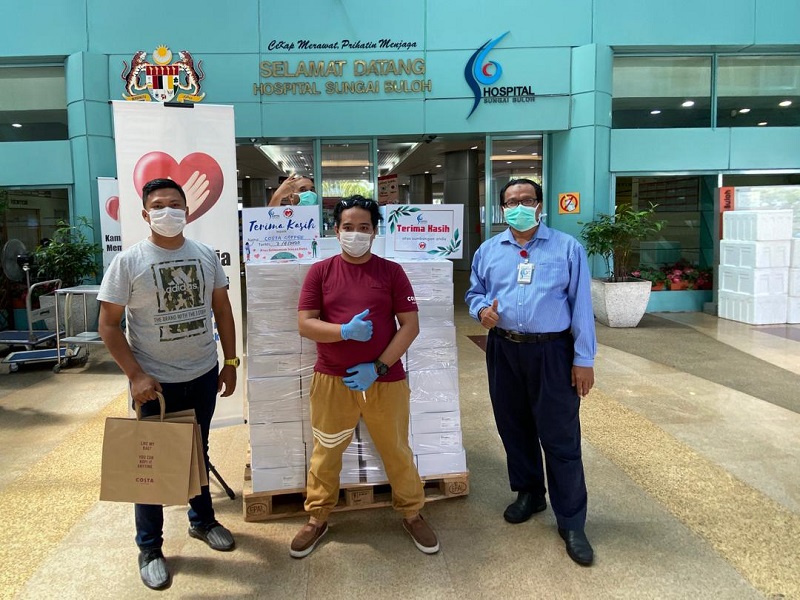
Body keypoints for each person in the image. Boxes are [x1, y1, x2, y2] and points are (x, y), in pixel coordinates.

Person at [97, 178, 239, 590]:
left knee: (198, 449)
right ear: (145, 214)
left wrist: (229, 363)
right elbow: (108, 325)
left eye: (175, 204)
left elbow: (224, 313)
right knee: (152, 463)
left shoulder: (206, 255)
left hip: (202, 373)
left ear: (187, 212)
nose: (168, 211)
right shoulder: (129, 262)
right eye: (158, 205)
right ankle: (150, 547)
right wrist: (136, 375)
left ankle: (202, 521)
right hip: (154, 383)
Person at [291, 195, 439, 558]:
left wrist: (379, 367)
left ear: (375, 232)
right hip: (331, 379)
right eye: (348, 227)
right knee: (326, 451)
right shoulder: (320, 272)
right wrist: (342, 332)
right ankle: (317, 517)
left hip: (385, 380)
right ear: (336, 230)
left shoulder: (391, 272)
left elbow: (410, 326)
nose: (355, 234)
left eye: (364, 228)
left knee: (396, 449)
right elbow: (305, 324)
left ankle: (412, 511)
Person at [465, 178, 597, 566]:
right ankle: (529, 493)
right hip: (504, 349)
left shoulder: (567, 249)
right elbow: (474, 292)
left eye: (526, 200)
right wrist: (480, 311)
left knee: (560, 437)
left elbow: (582, 307)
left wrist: (584, 360)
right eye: (511, 202)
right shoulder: (489, 251)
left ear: (539, 205)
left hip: (552, 352)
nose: (519, 206)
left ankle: (572, 520)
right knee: (513, 426)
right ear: (501, 208)